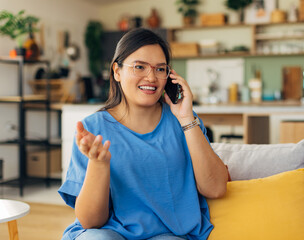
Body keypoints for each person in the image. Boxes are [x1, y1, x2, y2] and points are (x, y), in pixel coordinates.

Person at [58, 28, 229, 240]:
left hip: (168, 233)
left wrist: (186, 118)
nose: (151, 77)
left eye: (160, 69)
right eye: (139, 66)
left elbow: (216, 188)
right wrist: (98, 164)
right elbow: (91, 222)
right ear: (117, 71)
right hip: (108, 231)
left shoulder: (184, 121)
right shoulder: (92, 129)